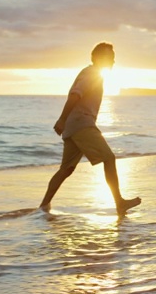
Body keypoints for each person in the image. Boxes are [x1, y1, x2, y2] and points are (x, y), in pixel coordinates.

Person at [39, 42, 141, 216]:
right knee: (109, 158)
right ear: (99, 57)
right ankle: (119, 202)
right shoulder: (92, 74)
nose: (114, 61)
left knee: (66, 169)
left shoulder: (93, 74)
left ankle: (43, 207)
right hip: (81, 124)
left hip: (74, 126)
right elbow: (75, 95)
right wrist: (62, 119)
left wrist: (65, 122)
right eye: (111, 57)